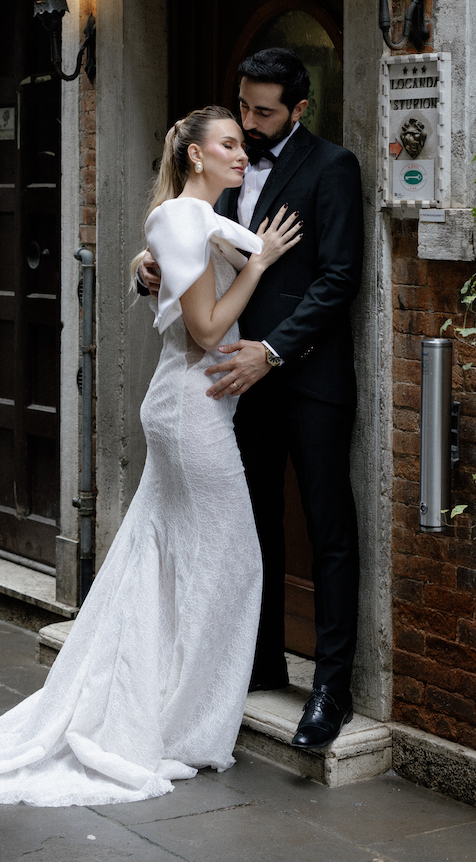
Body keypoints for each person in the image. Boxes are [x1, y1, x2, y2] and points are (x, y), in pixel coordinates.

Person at [0, 107, 301, 808]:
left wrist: (168, 265)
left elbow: (177, 272)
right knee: (233, 561)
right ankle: (181, 724)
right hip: (192, 407)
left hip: (190, 404)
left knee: (162, 558)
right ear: (195, 155)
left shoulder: (196, 218)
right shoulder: (182, 218)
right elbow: (206, 331)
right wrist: (258, 263)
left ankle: (161, 703)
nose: (241, 153)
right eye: (228, 144)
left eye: (242, 143)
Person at [139, 48, 364, 749]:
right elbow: (192, 245)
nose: (250, 123)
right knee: (250, 523)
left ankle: (331, 687)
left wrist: (271, 352)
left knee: (327, 530)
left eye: (264, 112)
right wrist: (151, 271)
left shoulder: (333, 167)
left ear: (299, 109)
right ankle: (258, 661)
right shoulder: (224, 168)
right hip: (231, 385)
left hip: (306, 377)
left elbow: (338, 279)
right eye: (243, 108)